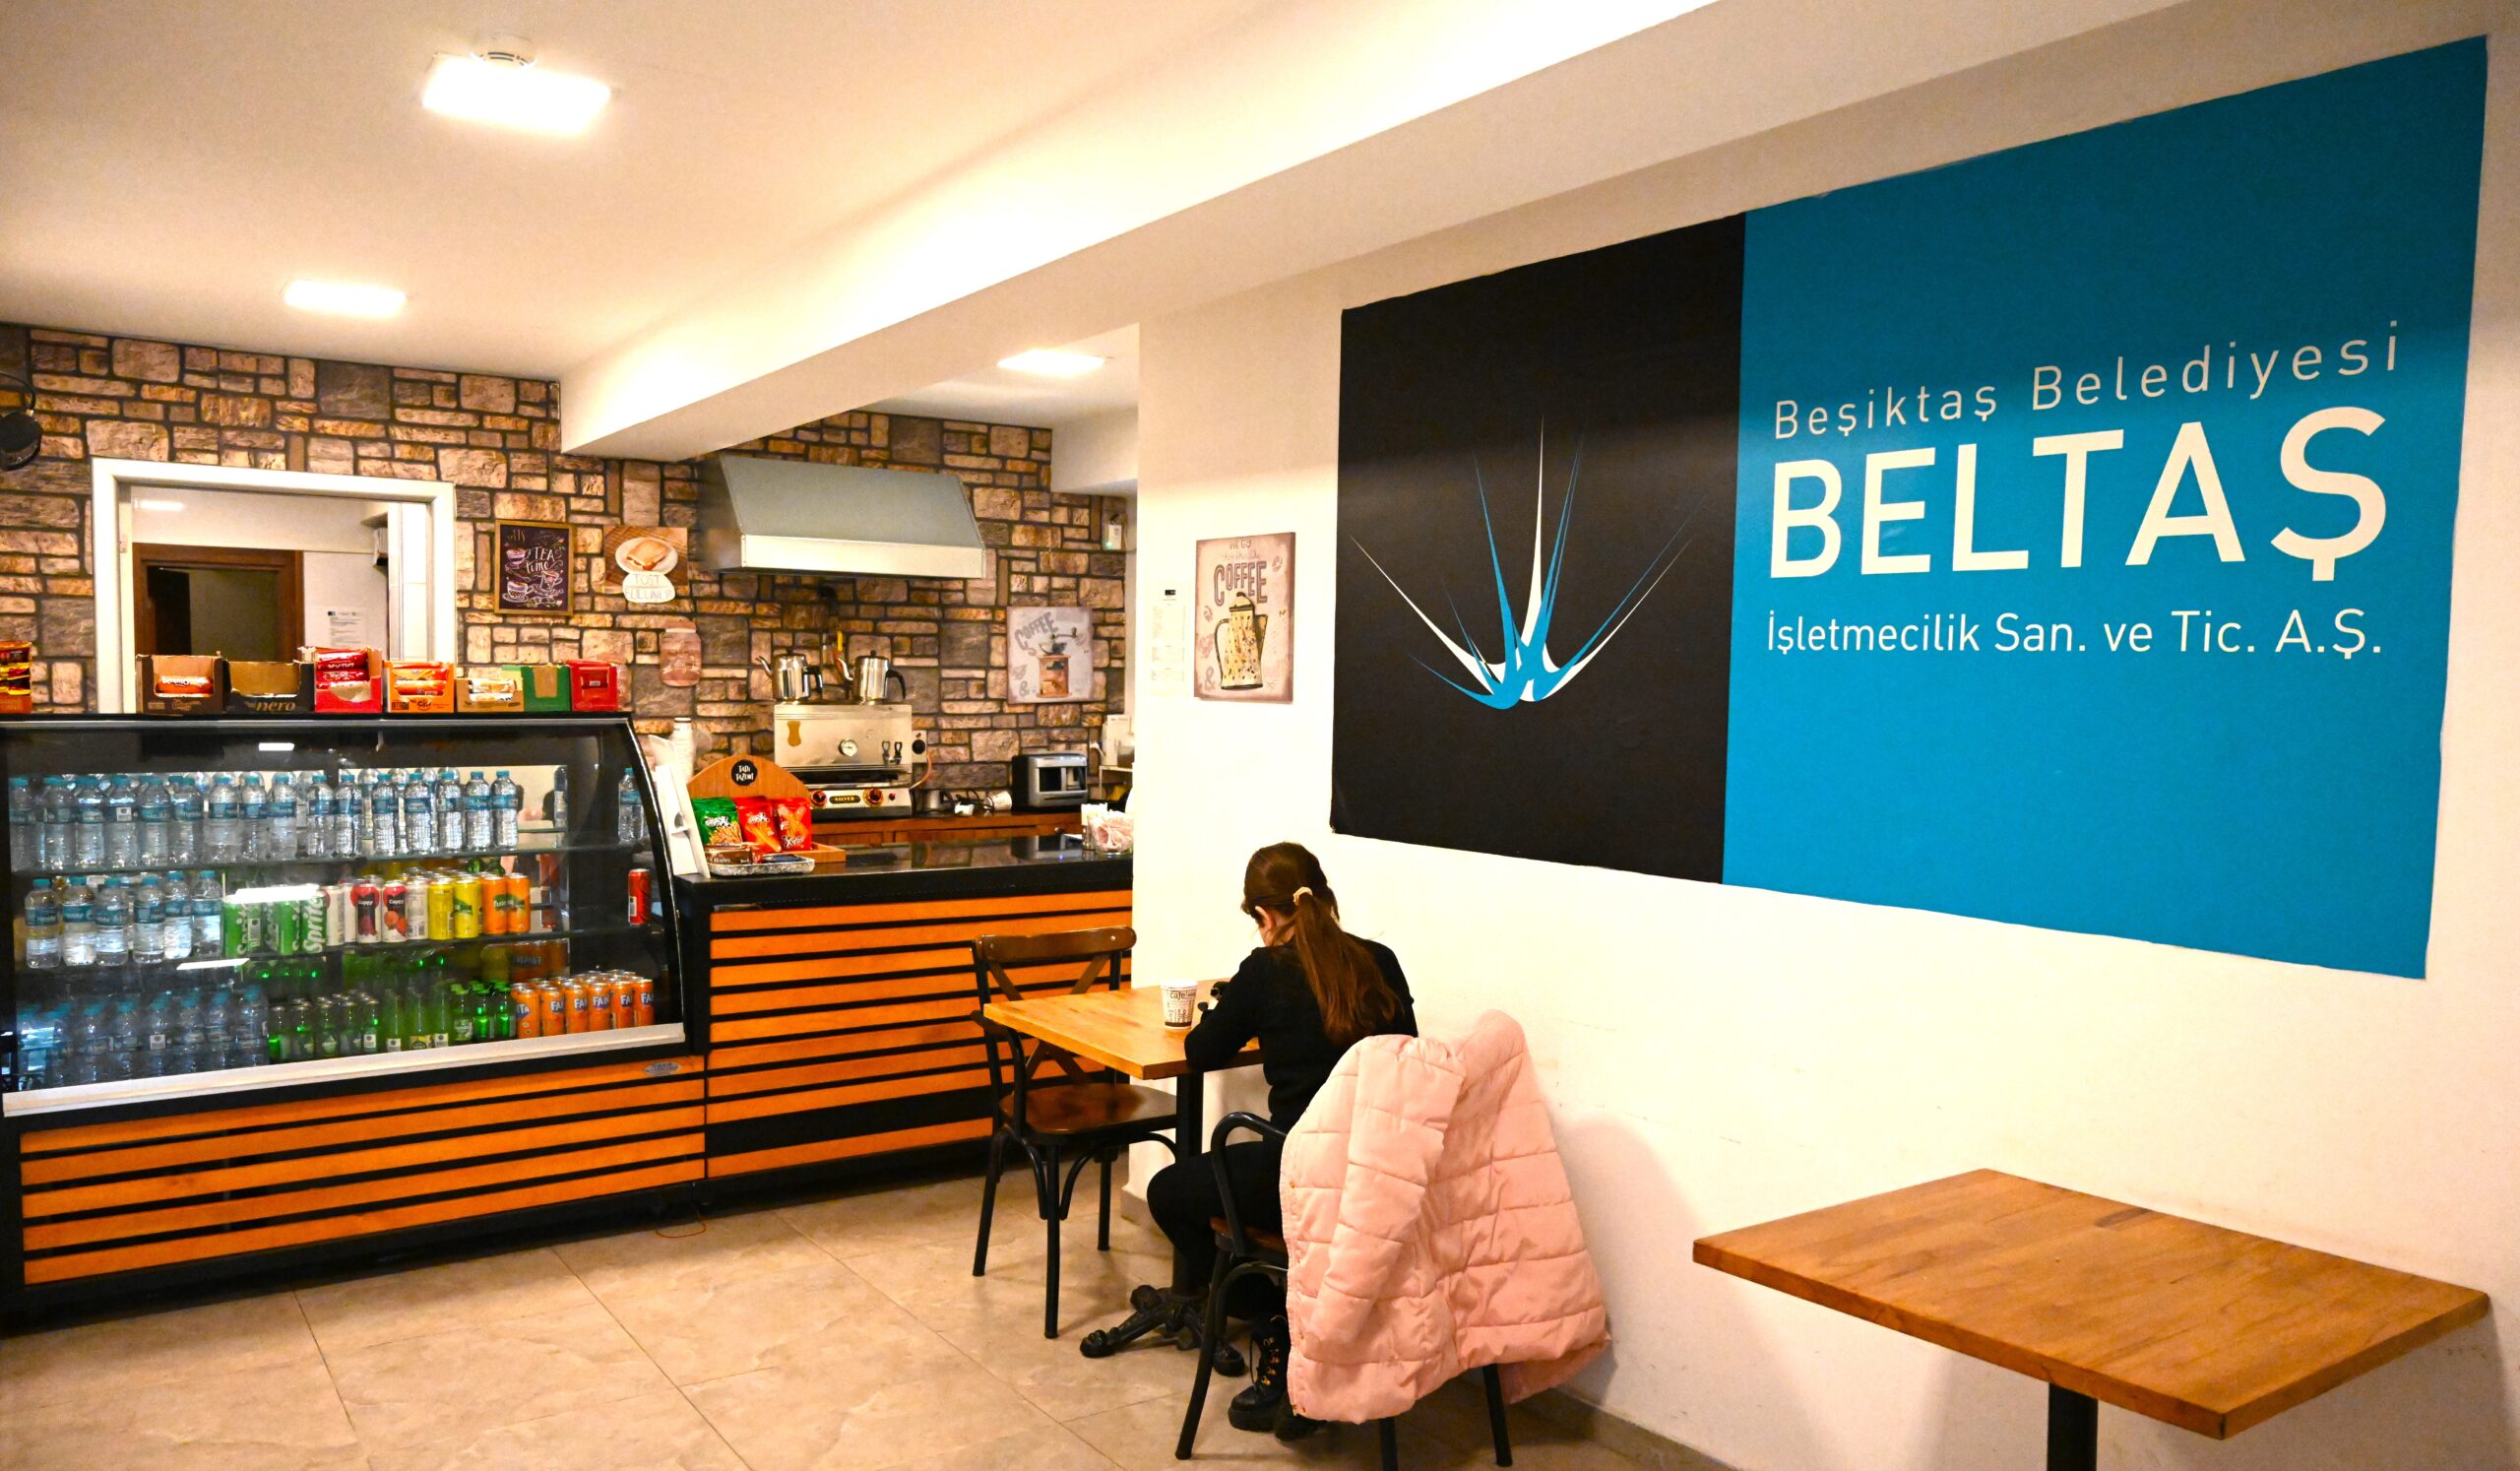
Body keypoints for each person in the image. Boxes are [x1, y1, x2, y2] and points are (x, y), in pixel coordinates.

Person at [1145, 841, 1416, 1439]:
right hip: (1380, 1178)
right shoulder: (1382, 961)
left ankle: (1272, 1320)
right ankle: (1301, 1328)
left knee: (1168, 1192)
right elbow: (1408, 1057)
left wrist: (1233, 1009)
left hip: (1298, 1179)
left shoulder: (1265, 971)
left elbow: (1202, 1050)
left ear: (1264, 915)